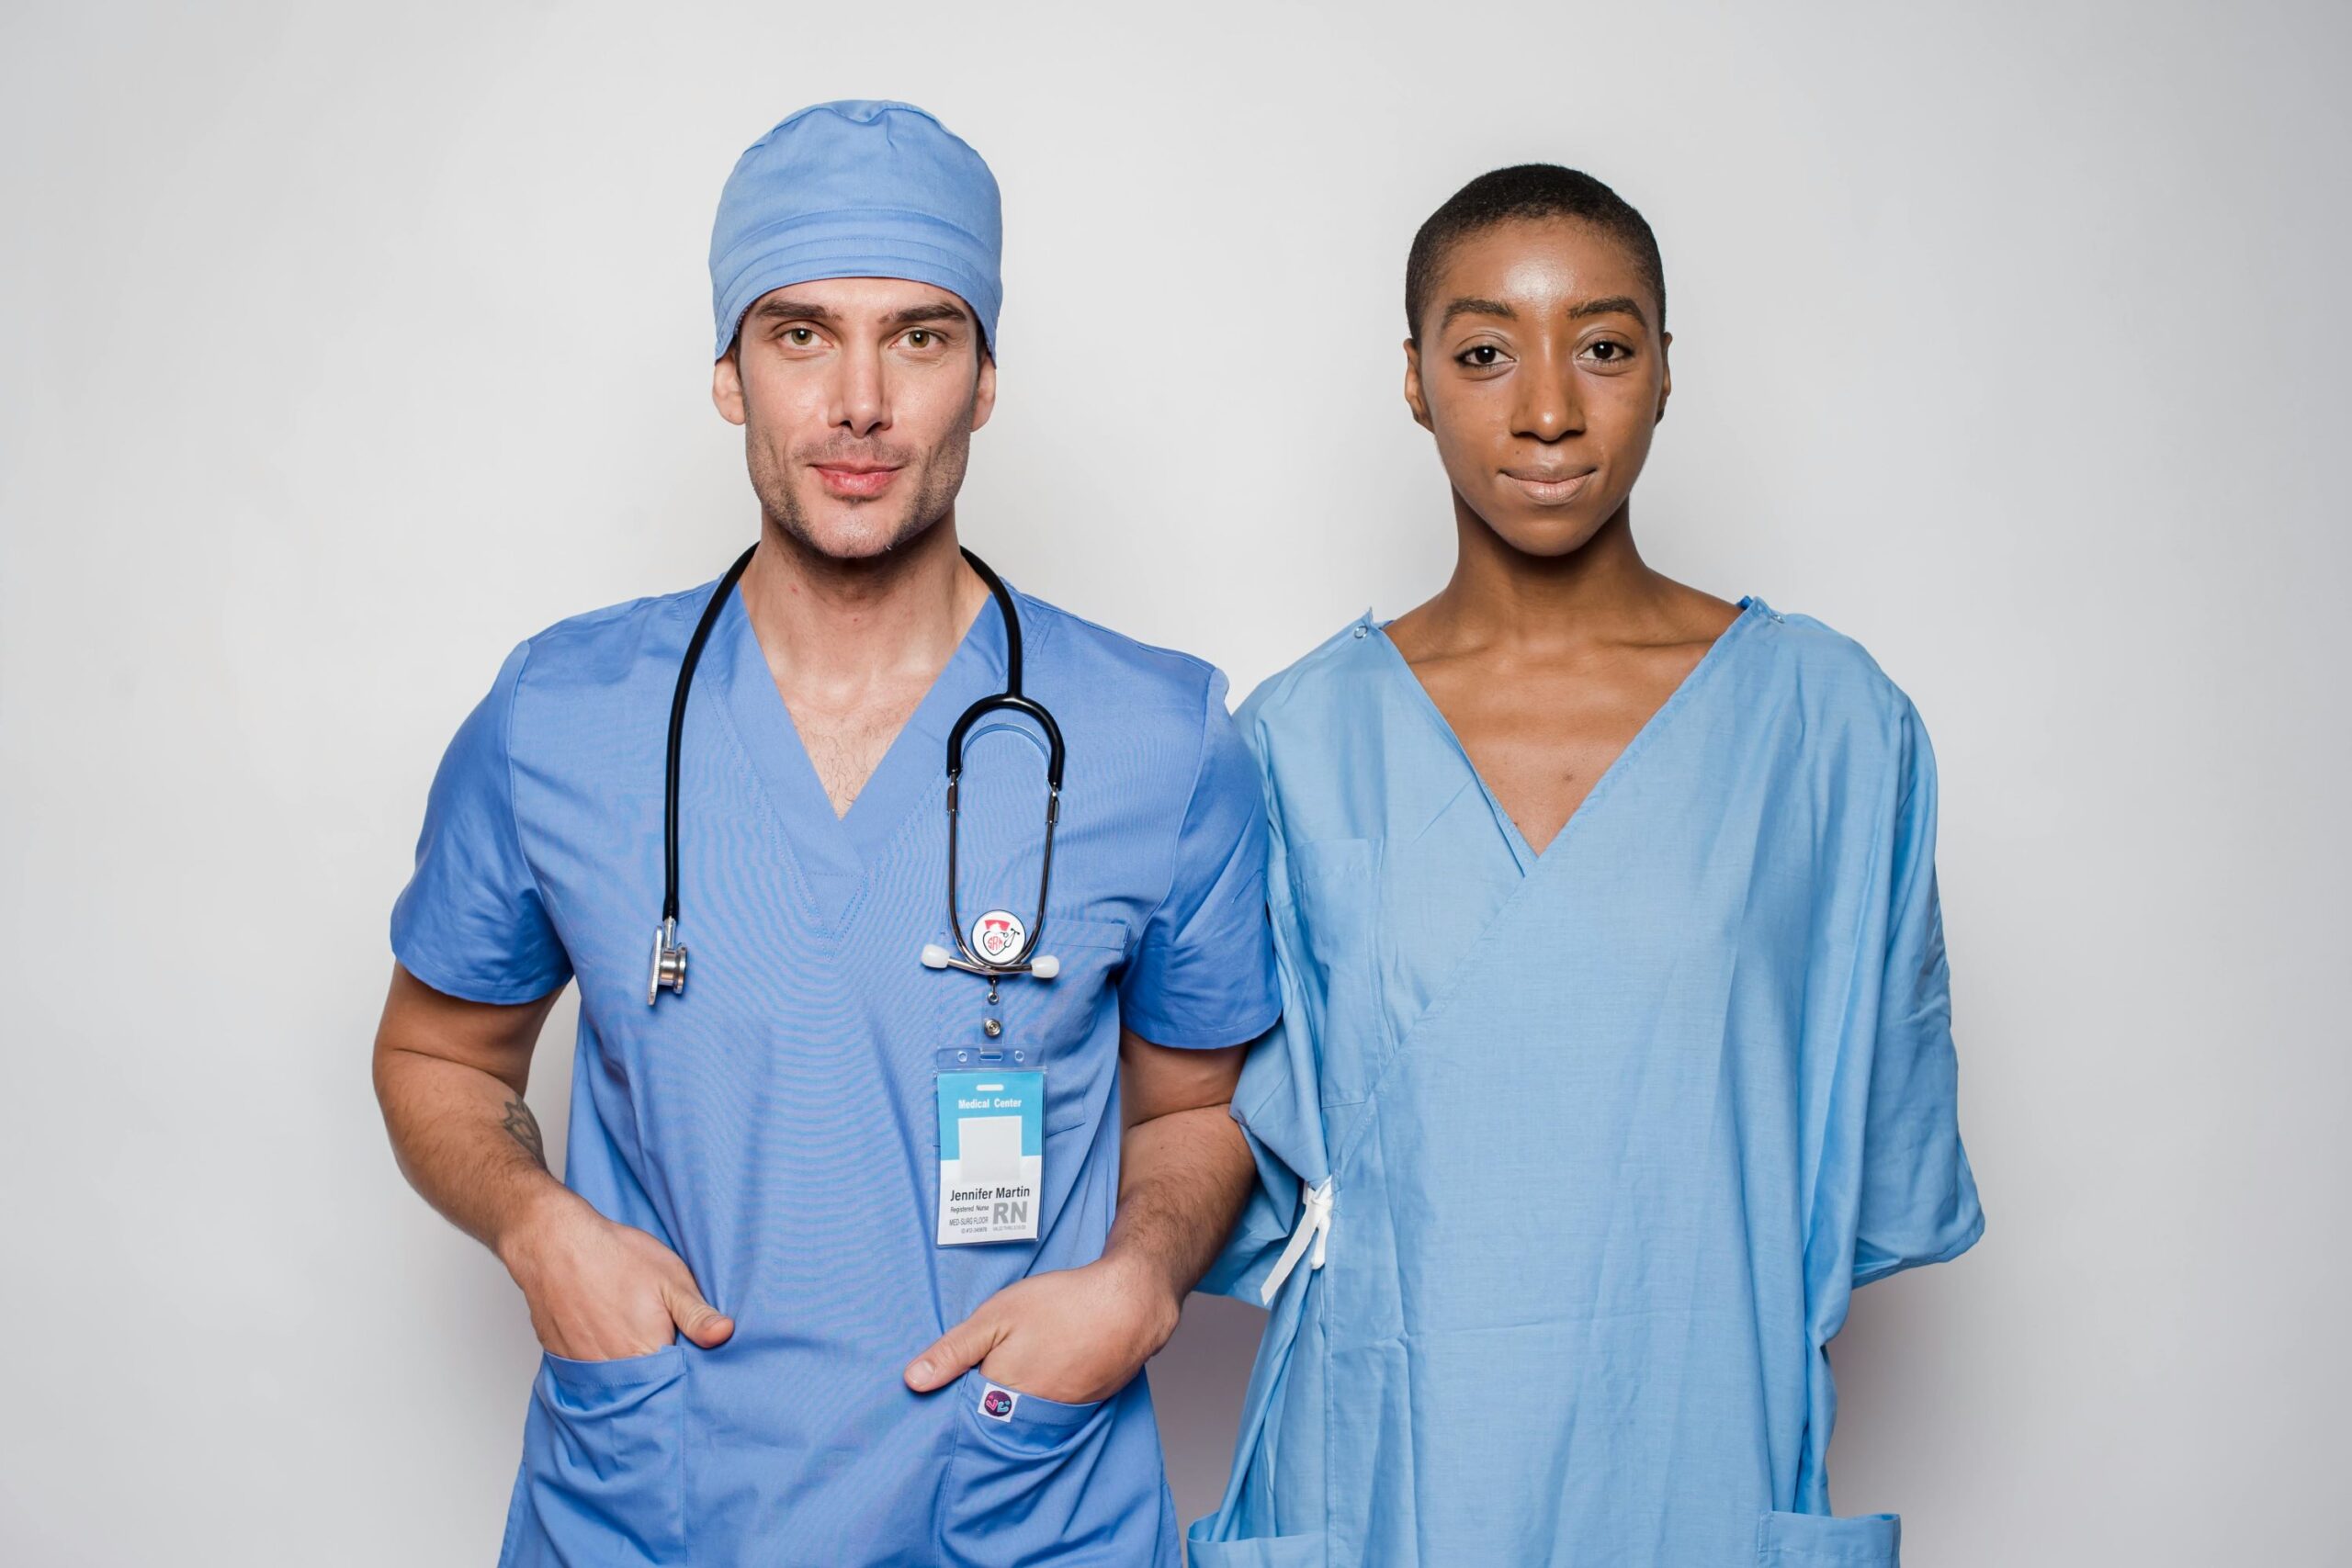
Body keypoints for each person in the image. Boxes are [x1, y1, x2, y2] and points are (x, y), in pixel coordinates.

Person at [371, 100, 1279, 1567]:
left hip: (1020, 1503)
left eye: (920, 337)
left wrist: (1144, 1279)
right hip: (660, 1506)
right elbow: (435, 1053)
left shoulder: (1160, 742)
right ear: (729, 376)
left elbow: (1195, 1105)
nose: (860, 401)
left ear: (985, 380)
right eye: (801, 335)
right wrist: (541, 1231)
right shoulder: (563, 717)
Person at [1188, 164, 1985, 1568]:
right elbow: (1219, 1160)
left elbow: (1872, 1159)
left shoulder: (1831, 731)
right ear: (1419, 381)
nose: (1548, 409)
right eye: (1486, 352)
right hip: (1386, 1464)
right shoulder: (1292, 745)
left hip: (1691, 1452)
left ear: (1667, 372)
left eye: (1604, 348)